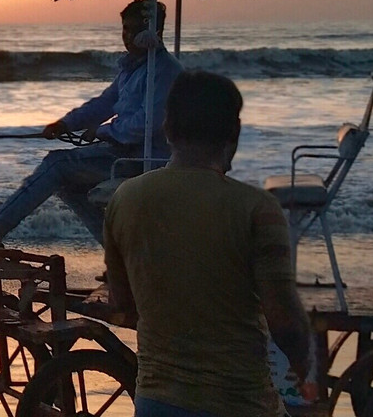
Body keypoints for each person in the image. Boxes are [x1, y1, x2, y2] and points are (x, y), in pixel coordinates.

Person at [104, 70, 316, 417]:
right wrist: (303, 365)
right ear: (233, 133)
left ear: (168, 128)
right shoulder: (257, 208)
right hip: (239, 402)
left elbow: (123, 303)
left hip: (156, 401)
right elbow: (286, 324)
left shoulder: (125, 199)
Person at [0, 0, 183, 246]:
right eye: (125, 28)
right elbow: (104, 103)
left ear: (153, 32)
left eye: (134, 30)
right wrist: (65, 124)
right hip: (121, 152)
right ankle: (119, 253)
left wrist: (102, 131)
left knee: (56, 164)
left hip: (142, 159)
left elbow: (145, 125)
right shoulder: (132, 69)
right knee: (68, 186)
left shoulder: (164, 71)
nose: (127, 36)